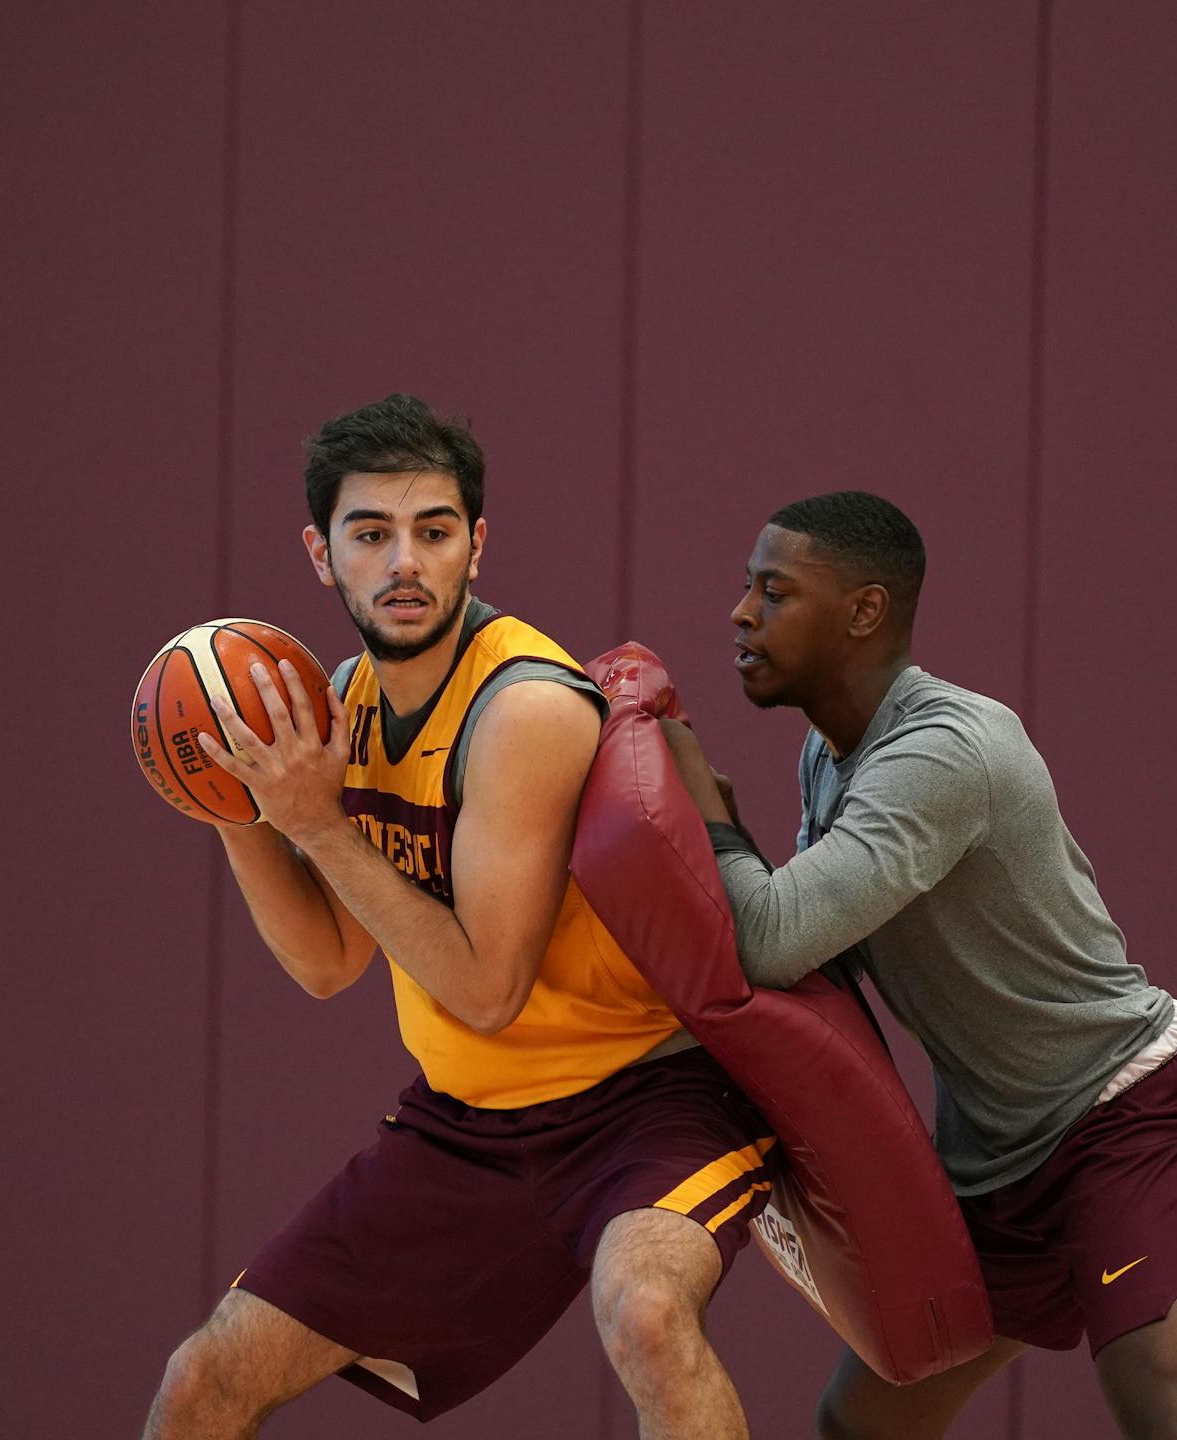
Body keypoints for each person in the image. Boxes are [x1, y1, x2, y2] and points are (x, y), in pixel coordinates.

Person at [143, 394, 773, 1439]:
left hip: (645, 1102)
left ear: (477, 546)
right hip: (473, 1124)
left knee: (650, 1316)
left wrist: (322, 829)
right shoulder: (335, 701)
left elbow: (485, 989)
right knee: (201, 1384)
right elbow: (328, 964)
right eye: (371, 535)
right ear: (320, 553)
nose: (405, 563)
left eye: (434, 532)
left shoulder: (520, 708)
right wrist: (235, 798)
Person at [661, 491, 1177, 1439]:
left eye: (773, 592)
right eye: (745, 589)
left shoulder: (941, 753)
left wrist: (710, 816)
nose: (740, 613)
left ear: (864, 612)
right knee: (864, 1427)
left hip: (1128, 1115)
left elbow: (769, 940)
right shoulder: (830, 751)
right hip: (999, 1162)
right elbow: (818, 953)